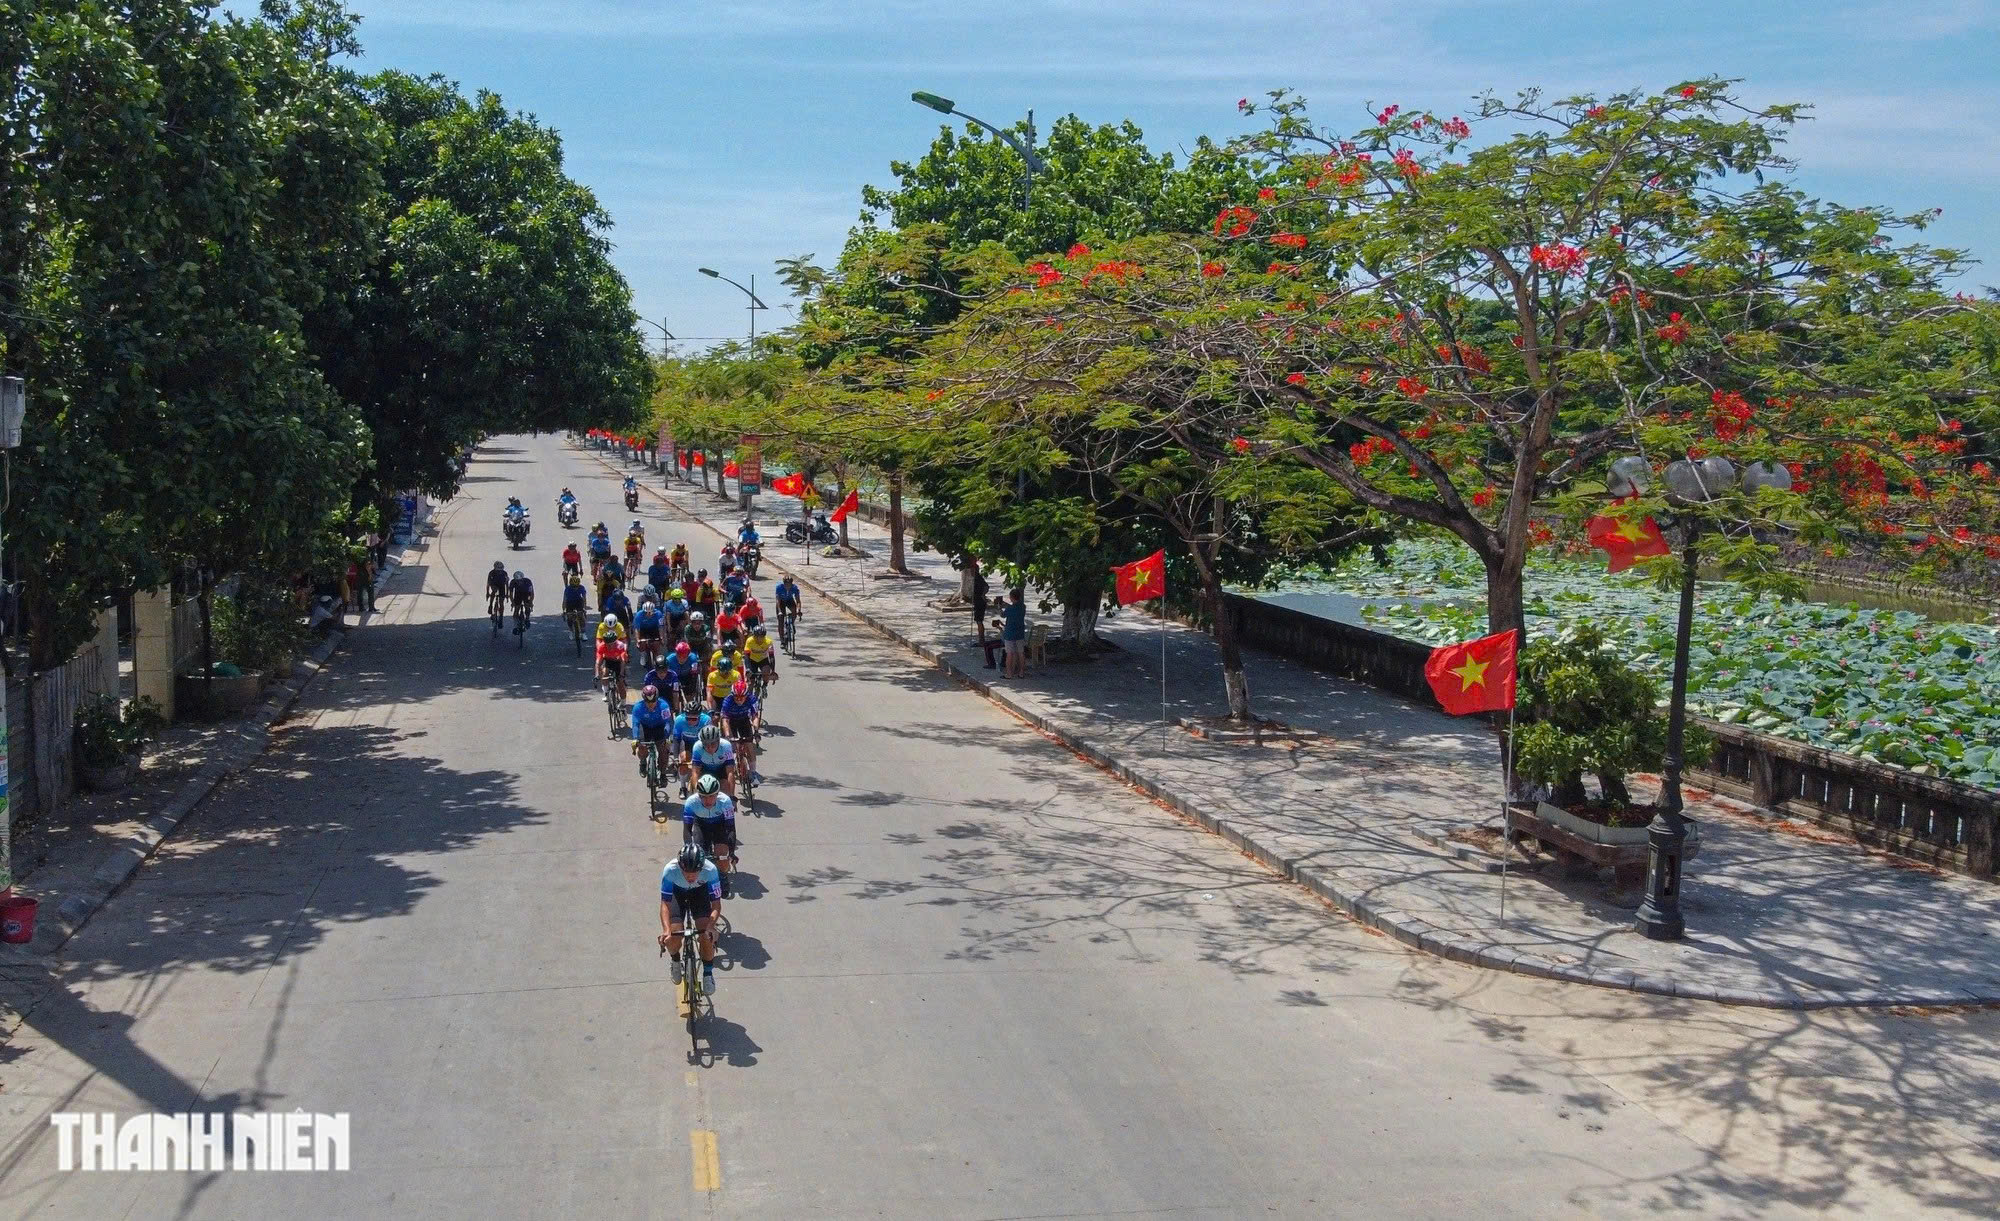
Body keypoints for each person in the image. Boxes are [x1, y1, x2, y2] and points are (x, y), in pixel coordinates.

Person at [659, 842, 721, 993]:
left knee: (706, 935)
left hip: (700, 893)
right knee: (673, 935)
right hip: (677, 894)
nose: (690, 876)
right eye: (686, 872)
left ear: (702, 868)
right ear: (680, 867)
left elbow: (716, 904)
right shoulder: (670, 870)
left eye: (695, 872)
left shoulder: (711, 870)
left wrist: (711, 926)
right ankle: (675, 960)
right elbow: (665, 904)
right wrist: (666, 930)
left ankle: (708, 973)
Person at [684, 773, 739, 893]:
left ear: (717, 794)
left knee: (722, 857)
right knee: (698, 856)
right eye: (703, 797)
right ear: (698, 795)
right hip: (701, 826)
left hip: (719, 826)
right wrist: (688, 850)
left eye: (711, 796)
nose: (708, 800)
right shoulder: (691, 802)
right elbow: (687, 830)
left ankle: (723, 876)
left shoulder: (725, 801)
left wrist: (732, 852)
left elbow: (731, 829)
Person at [718, 679, 761, 786]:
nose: (739, 700)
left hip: (743, 720)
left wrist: (756, 731)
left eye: (742, 697)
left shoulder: (751, 699)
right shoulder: (728, 700)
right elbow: (725, 720)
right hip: (731, 721)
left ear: (746, 695)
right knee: (731, 745)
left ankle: (753, 773)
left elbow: (755, 716)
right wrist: (728, 736)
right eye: (736, 697)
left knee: (749, 746)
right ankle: (730, 766)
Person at [629, 683, 673, 778]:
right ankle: (643, 761)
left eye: (653, 702)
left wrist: (667, 737)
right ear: (644, 700)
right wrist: (635, 738)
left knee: (664, 750)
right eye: (648, 702)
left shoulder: (664, 706)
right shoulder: (638, 708)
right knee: (641, 746)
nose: (651, 704)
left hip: (659, 727)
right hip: (644, 728)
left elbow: (668, 723)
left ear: (657, 699)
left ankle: (663, 773)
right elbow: (635, 724)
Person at [689, 723, 736, 803]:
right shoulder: (697, 747)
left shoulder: (726, 746)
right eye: (706, 744)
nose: (709, 747)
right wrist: (697, 794)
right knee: (701, 792)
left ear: (718, 741)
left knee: (725, 789)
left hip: (721, 770)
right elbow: (695, 772)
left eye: (713, 744)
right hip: (704, 769)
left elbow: (730, 772)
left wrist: (731, 796)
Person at [668, 698, 710, 780]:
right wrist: (676, 758)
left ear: (699, 717)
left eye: (694, 719)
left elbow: (709, 740)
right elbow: (677, 740)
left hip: (702, 745)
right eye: (688, 718)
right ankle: (683, 785)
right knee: (683, 762)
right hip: (687, 744)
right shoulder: (679, 720)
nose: (690, 721)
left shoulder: (706, 720)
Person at [595, 616, 629, 703]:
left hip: (618, 662)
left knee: (620, 684)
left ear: (615, 642)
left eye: (612, 644)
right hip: (608, 660)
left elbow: (623, 661)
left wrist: (621, 674)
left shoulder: (620, 645)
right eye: (607, 644)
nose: (610, 646)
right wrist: (597, 675)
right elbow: (598, 662)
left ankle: (623, 703)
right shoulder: (602, 646)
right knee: (604, 673)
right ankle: (606, 692)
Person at [1001, 586, 1029, 678]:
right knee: (1021, 652)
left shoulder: (1010, 608)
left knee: (1009, 653)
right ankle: (1021, 672)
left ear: (1012, 597)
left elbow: (1003, 615)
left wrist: (1000, 607)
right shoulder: (1023, 607)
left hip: (1010, 633)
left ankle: (1009, 673)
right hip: (1020, 632)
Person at [706, 646, 745, 712]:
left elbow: (740, 691)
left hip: (731, 698)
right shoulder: (712, 676)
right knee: (715, 715)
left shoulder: (736, 675)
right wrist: (710, 709)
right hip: (717, 698)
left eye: (728, 671)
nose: (725, 674)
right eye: (723, 671)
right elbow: (709, 693)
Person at [632, 594, 664, 667]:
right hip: (643, 630)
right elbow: (637, 629)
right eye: (646, 612)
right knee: (642, 643)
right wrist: (638, 640)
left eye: (650, 612)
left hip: (654, 629)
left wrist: (661, 637)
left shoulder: (658, 614)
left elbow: (660, 627)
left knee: (656, 645)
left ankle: (658, 659)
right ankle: (643, 654)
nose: (648, 614)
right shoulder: (638, 615)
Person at [742, 622, 776, 688]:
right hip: (752, 660)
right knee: (751, 682)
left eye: (761, 637)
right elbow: (746, 656)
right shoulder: (749, 641)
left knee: (766, 672)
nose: (759, 639)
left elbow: (771, 656)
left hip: (763, 659)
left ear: (764, 636)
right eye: (756, 637)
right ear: (753, 636)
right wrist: (748, 668)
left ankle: (764, 686)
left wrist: (773, 670)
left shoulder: (768, 642)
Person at [971, 562, 992, 656]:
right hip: (977, 601)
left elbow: (986, 586)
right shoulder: (976, 578)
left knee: (979, 621)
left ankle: (981, 641)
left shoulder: (978, 578)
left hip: (980, 602)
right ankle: (981, 640)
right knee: (978, 621)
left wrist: (983, 595)